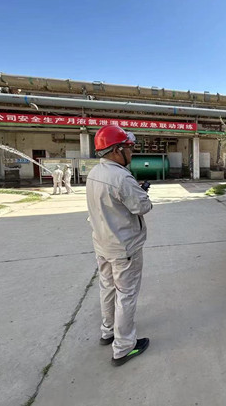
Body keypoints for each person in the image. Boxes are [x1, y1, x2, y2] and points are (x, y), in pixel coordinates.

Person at [86, 125, 153, 367]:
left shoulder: (94, 172)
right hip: (124, 247)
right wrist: (141, 193)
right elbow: (143, 207)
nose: (131, 152)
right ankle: (124, 347)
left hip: (102, 243)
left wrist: (134, 192)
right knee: (126, 294)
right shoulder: (121, 177)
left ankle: (108, 331)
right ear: (116, 150)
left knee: (107, 288)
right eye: (128, 147)